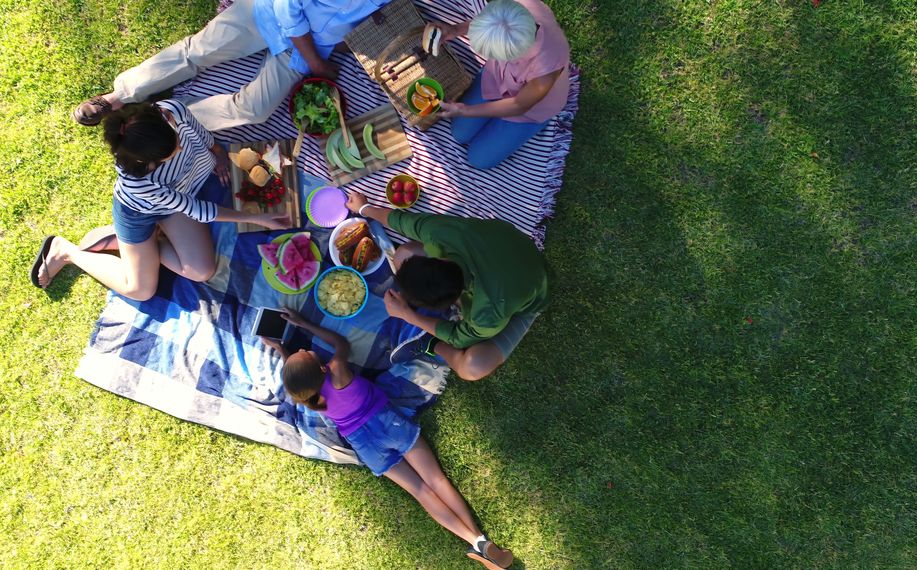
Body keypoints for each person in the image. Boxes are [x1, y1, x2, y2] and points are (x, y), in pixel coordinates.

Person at [263, 308, 514, 569]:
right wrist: (304, 322)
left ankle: (475, 542)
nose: (302, 350)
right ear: (322, 367)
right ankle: (480, 541)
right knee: (435, 479)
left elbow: (299, 384)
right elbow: (340, 343)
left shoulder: (310, 399)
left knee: (420, 491)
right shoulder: (337, 371)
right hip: (387, 425)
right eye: (304, 353)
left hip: (366, 446)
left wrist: (282, 350)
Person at [30, 100, 286, 300]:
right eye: (171, 152)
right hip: (140, 215)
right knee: (141, 290)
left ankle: (139, 244)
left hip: (177, 200)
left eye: (175, 139)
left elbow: (200, 134)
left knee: (201, 270)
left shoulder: (171, 110)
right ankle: (67, 252)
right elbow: (196, 210)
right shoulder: (139, 182)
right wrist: (256, 218)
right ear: (146, 162)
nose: (182, 148)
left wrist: (216, 151)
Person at [72, 0, 389, 131]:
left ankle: (165, 116)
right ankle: (119, 96)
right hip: (269, 17)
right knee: (197, 52)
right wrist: (316, 63)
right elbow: (287, 10)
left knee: (256, 109)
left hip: (308, 48)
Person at [344, 192, 548, 382]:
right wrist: (364, 209)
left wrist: (408, 315)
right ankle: (428, 322)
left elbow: (459, 338)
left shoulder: (485, 314)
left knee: (472, 367)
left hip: (530, 296)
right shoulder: (440, 232)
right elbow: (401, 221)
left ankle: (432, 344)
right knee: (402, 256)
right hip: (509, 253)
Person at [431, 0, 570, 169]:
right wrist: (455, 30)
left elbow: (519, 105)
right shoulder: (515, 7)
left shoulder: (548, 64)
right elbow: (489, 22)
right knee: (459, 133)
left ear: (514, 54)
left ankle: (533, 125)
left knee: (478, 159)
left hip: (529, 108)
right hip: (498, 78)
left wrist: (465, 110)